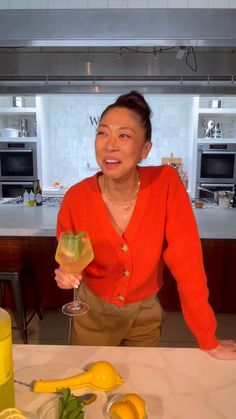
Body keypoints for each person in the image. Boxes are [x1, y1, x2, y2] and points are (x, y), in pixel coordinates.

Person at [55, 90, 236, 360]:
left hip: (145, 315)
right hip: (93, 314)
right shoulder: (76, 198)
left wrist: (207, 338)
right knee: (90, 387)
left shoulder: (165, 184)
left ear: (144, 149)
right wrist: (65, 274)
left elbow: (188, 263)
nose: (110, 145)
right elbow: (69, 255)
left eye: (124, 135)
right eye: (102, 133)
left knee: (139, 391)